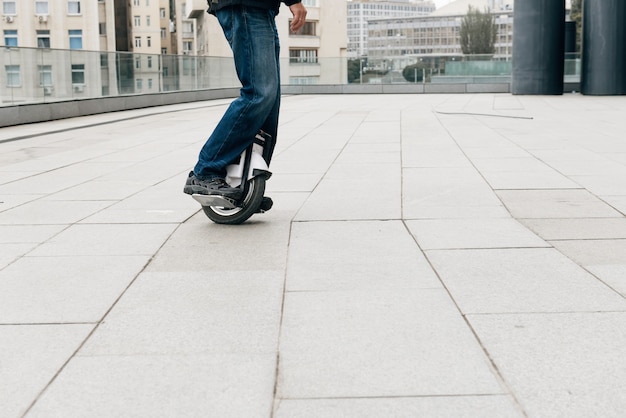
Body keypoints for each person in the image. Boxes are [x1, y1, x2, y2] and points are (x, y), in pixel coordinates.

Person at [184, 0, 307, 199]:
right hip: (245, 5)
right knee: (259, 93)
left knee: (270, 99)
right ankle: (205, 172)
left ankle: (245, 182)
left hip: (260, 8)